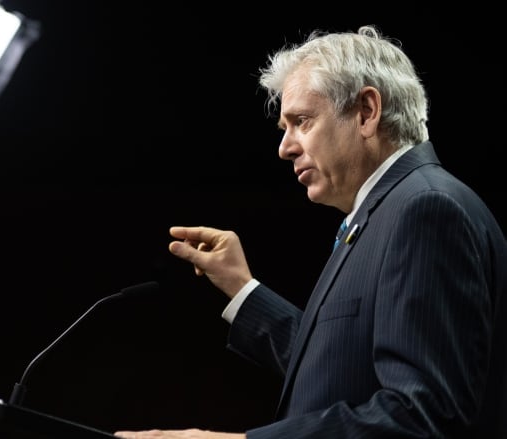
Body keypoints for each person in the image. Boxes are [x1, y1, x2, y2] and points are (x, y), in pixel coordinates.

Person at [115, 25, 507, 438]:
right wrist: (241, 287)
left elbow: (421, 415)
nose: (285, 147)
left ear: (366, 112)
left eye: (301, 121)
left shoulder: (425, 211)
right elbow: (338, 368)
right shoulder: (387, 209)